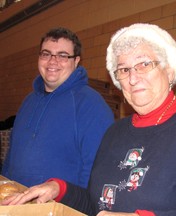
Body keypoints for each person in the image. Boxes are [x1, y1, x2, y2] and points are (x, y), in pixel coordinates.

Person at [2, 23, 176, 216]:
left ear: (169, 71)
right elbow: (96, 205)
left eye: (144, 64)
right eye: (124, 69)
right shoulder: (115, 132)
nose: (132, 77)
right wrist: (59, 187)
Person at [1, 27, 114, 188]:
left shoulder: (91, 105)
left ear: (76, 62)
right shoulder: (28, 101)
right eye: (46, 54)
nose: (52, 61)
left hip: (58, 209)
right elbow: (11, 156)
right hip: (15, 202)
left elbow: (96, 170)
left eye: (62, 55)